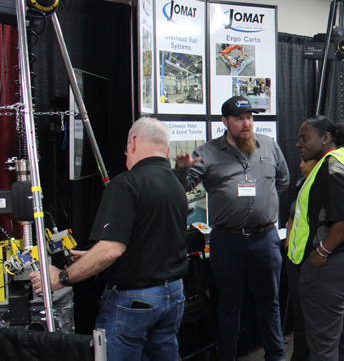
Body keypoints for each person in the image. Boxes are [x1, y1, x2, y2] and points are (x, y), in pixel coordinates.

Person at [31, 118, 188, 360]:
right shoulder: (175, 185)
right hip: (173, 296)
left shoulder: (126, 183)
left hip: (133, 301)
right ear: (166, 150)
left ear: (132, 143)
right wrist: (92, 257)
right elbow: (151, 241)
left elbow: (111, 250)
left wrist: (62, 277)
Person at [174, 96, 289, 361]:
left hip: (264, 238)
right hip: (227, 240)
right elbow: (182, 188)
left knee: (269, 303)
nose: (246, 123)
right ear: (225, 122)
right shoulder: (207, 152)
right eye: (239, 119)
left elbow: (283, 181)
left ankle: (276, 356)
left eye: (249, 117)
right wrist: (181, 170)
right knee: (228, 306)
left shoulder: (269, 146)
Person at [286, 116, 344, 361]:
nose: (298, 144)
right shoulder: (339, 161)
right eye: (298, 138)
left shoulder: (331, 167)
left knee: (322, 346)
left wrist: (323, 251)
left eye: (305, 138)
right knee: (343, 338)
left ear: (326, 138)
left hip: (329, 267)